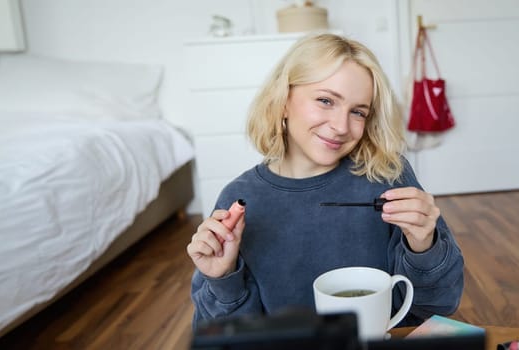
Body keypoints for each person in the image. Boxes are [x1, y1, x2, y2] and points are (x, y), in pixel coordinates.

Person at [186, 33, 464, 327]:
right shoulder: (240, 199)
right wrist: (222, 277)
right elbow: (225, 334)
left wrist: (425, 246)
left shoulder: (387, 175)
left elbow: (439, 306)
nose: (341, 126)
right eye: (325, 100)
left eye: (358, 111)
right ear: (282, 101)